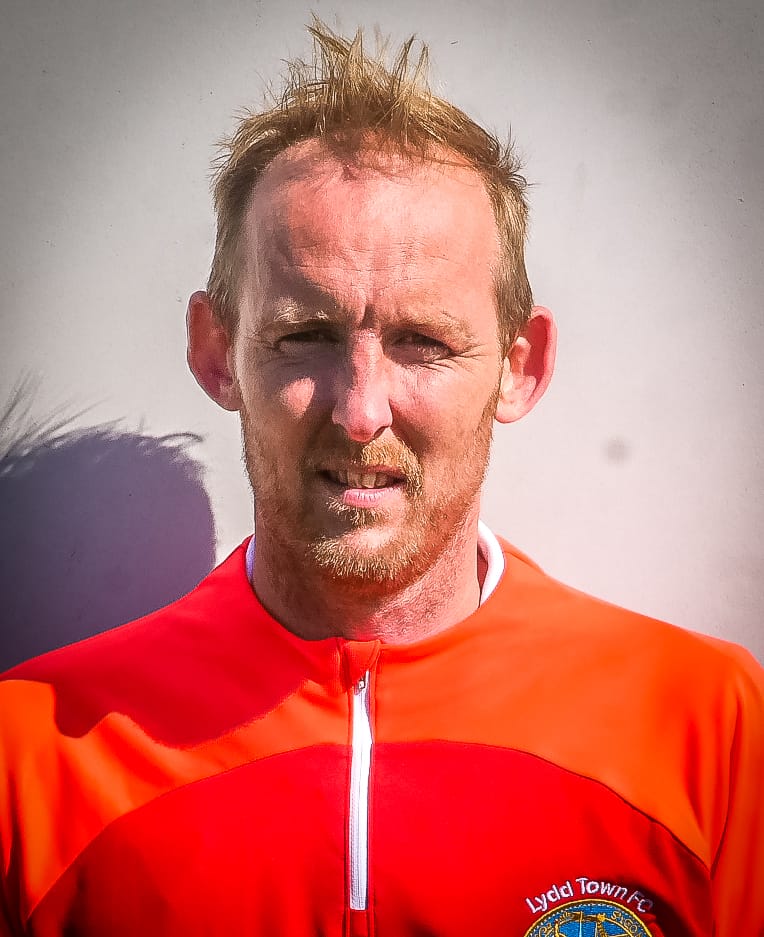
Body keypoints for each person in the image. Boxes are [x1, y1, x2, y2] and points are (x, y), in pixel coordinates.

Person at [0, 21, 761, 937]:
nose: (361, 411)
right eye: (304, 336)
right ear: (216, 352)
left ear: (520, 366)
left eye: (423, 341)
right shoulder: (32, 755)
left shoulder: (709, 725)